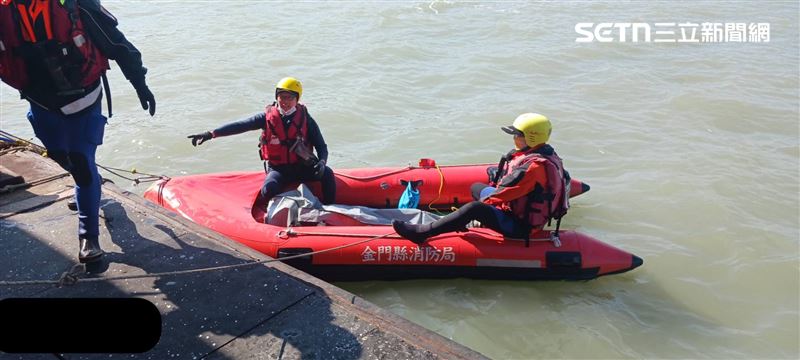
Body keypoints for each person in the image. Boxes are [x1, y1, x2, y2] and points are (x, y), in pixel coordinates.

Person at [0, 0, 156, 263]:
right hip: (40, 100)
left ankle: (88, 237)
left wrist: (139, 82)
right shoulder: (5, 10)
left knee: (82, 162)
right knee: (61, 156)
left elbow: (117, 44)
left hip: (83, 98)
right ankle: (88, 189)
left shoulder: (76, 4)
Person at [392, 113, 569, 245]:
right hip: (518, 211)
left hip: (521, 226)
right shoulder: (547, 153)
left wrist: (467, 213)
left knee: (474, 208)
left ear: (531, 137)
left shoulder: (533, 168)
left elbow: (502, 195)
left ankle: (422, 233)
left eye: (517, 135)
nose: (514, 138)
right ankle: (459, 220)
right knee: (476, 188)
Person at [188, 77, 336, 211]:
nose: (284, 101)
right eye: (281, 97)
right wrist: (211, 134)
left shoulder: (306, 119)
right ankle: (274, 217)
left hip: (302, 166)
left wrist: (322, 162)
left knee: (328, 174)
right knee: (268, 189)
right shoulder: (266, 118)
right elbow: (241, 125)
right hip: (279, 169)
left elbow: (321, 146)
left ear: (297, 99)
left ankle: (330, 209)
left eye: (289, 98)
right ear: (276, 97)